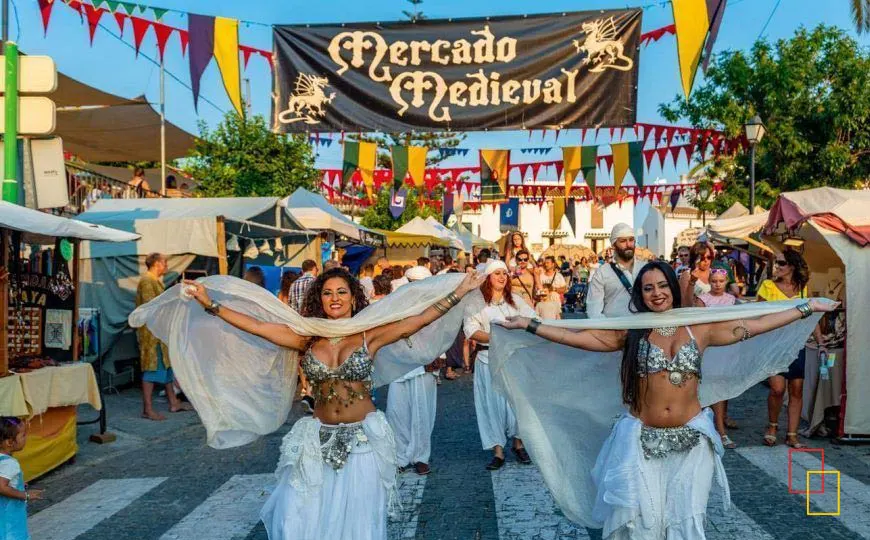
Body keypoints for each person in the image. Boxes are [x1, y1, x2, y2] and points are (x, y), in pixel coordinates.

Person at [496, 260, 836, 538]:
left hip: (691, 441)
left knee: (685, 521)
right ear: (640, 294)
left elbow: (756, 324)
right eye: (648, 288)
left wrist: (807, 308)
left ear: (673, 288)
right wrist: (531, 324)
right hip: (639, 440)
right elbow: (581, 338)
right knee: (641, 524)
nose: (656, 293)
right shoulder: (632, 331)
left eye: (662, 286)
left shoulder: (700, 327)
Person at [178, 267, 486, 538]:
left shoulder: (369, 336)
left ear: (354, 298)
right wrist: (211, 304)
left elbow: (416, 321)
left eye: (341, 292)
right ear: (319, 300)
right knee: (298, 516)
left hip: (363, 442)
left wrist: (459, 291)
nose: (334, 298)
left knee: (358, 522)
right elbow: (258, 327)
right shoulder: (307, 338)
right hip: (316, 439)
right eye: (327, 293)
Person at [464, 260, 535, 470]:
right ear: (488, 278)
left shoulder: (515, 301)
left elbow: (533, 320)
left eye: (505, 273)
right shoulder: (475, 303)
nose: (502, 277)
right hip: (487, 360)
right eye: (497, 273)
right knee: (491, 406)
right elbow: (471, 331)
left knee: (517, 404)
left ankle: (519, 444)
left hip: (513, 360)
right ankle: (498, 451)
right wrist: (498, 338)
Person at [759, 249, 825, 449]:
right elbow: (757, 315)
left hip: (797, 344)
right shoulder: (768, 286)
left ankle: (792, 434)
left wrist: (821, 341)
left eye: (781, 263)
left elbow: (811, 318)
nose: (776, 267)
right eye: (776, 263)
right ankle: (772, 427)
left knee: (796, 390)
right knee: (777, 389)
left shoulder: (803, 289)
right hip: (773, 344)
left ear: (792, 267)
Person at [386, 266, 439, 476]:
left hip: (423, 365)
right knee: (396, 412)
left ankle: (420, 457)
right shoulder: (396, 303)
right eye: (412, 282)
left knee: (422, 413)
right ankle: (399, 456)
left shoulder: (436, 305)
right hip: (399, 364)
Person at [136, 253, 192, 421]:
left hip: (160, 332)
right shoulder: (147, 281)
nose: (166, 266)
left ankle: (174, 402)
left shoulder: (155, 281)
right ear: (157, 264)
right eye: (165, 262)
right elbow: (151, 306)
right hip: (152, 334)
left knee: (167, 368)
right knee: (152, 369)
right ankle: (147, 409)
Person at [694, 268, 740, 449]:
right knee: (713, 387)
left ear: (726, 281)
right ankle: (720, 431)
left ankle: (717, 424)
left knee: (723, 387)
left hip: (727, 348)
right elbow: (698, 323)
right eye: (714, 281)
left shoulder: (731, 300)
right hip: (710, 348)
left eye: (721, 281)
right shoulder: (703, 299)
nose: (717, 284)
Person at [586, 223, 647, 318]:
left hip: (644, 327)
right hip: (615, 329)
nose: (628, 245)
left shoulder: (646, 268)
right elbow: (594, 311)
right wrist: (609, 330)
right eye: (623, 241)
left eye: (631, 240)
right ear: (614, 245)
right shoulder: (602, 273)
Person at [1, 417, 43, 539]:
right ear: (9, 442)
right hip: (8, 518)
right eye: (23, 435)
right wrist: (26, 495)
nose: (26, 438)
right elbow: (1, 487)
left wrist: (18, 484)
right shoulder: (10, 463)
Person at [679, 242, 715, 308]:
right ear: (695, 259)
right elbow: (684, 305)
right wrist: (692, 282)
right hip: (696, 316)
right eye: (702, 258)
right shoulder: (687, 275)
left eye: (709, 257)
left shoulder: (714, 273)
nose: (706, 261)